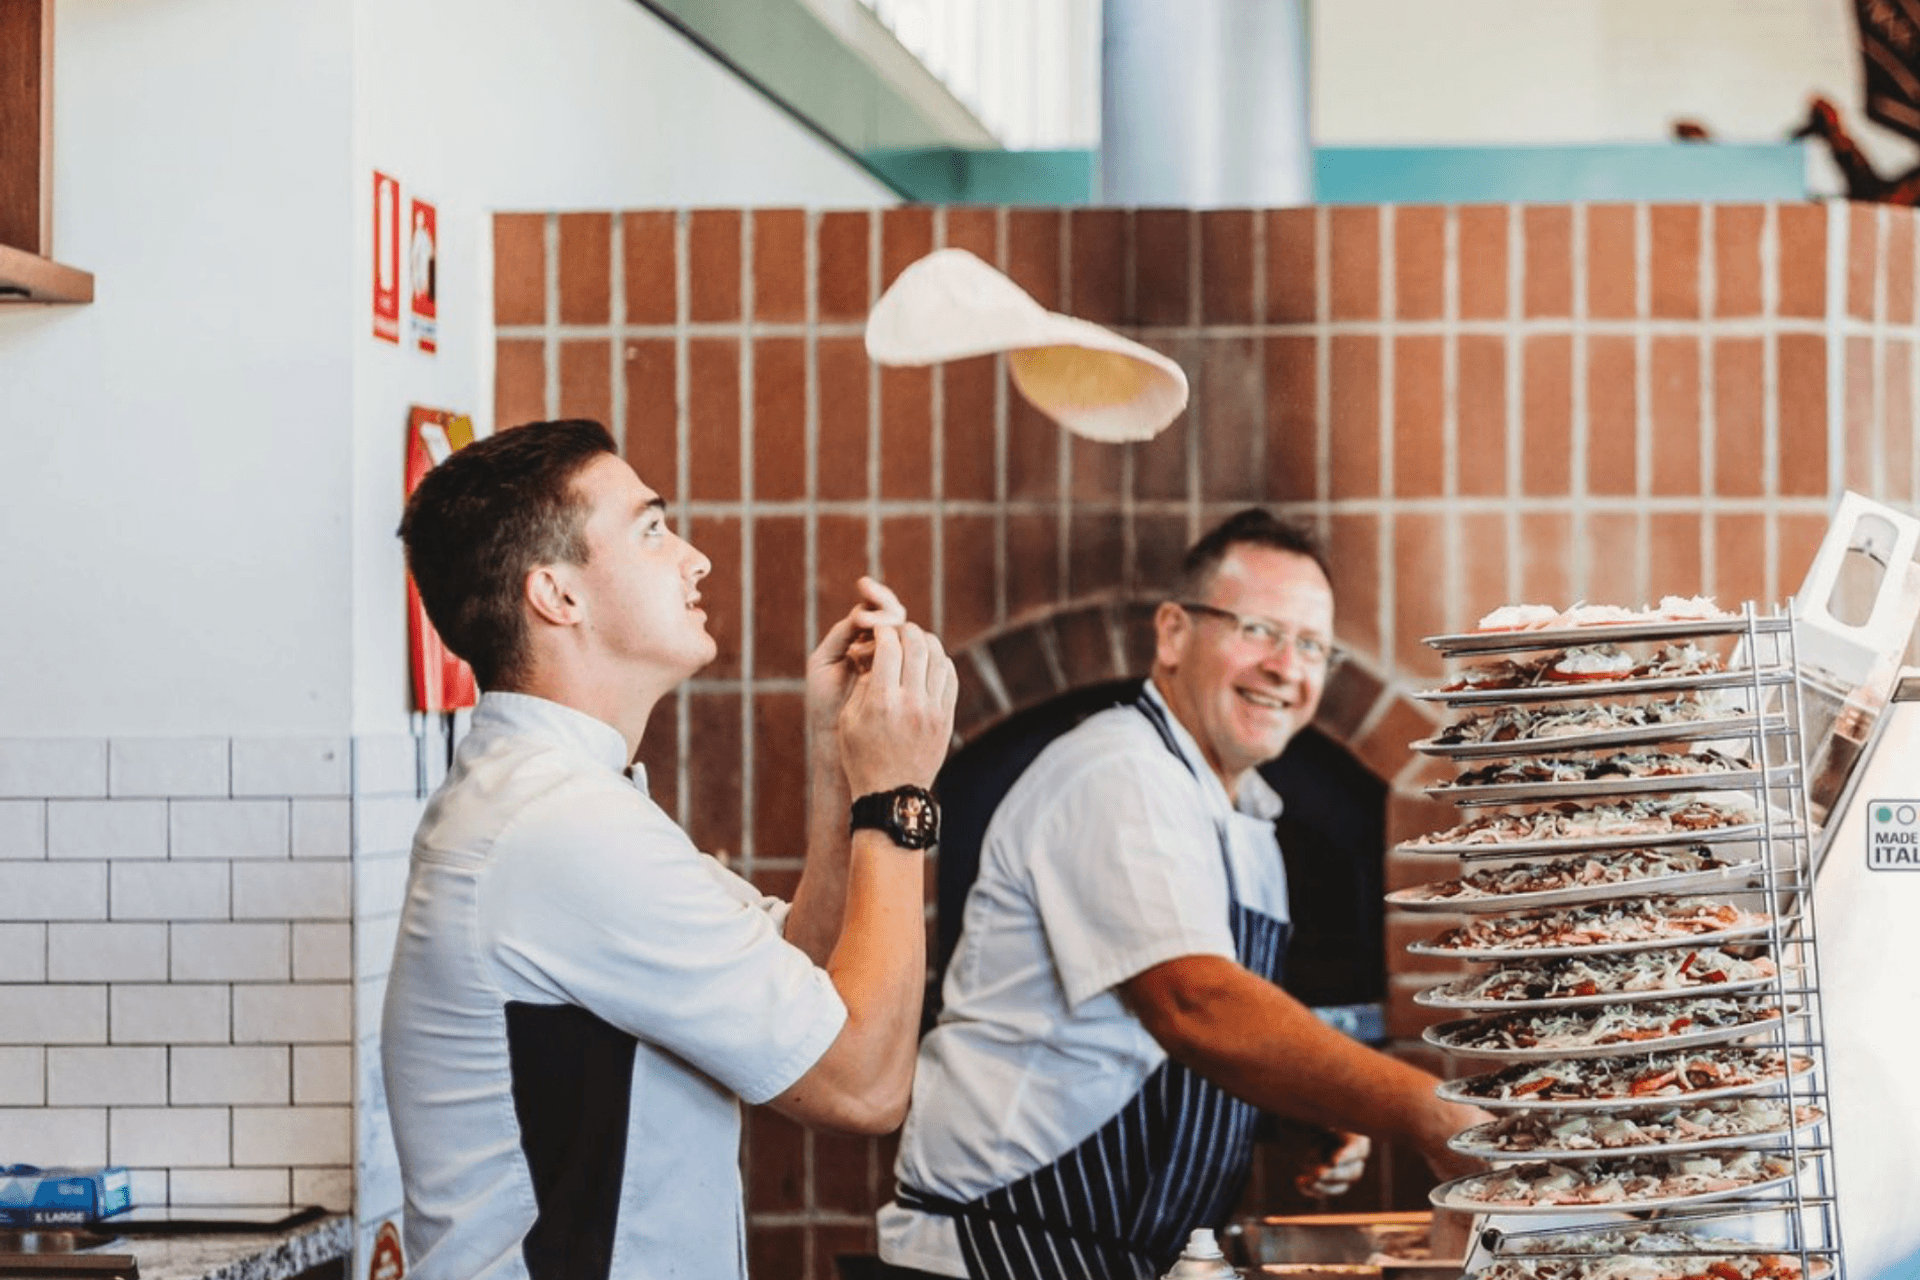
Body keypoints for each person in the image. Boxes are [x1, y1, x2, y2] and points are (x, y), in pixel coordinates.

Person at [382, 418, 957, 1280]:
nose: (696, 559)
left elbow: (797, 974)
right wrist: (897, 796)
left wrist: (842, 765)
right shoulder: (558, 830)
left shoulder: (562, 802)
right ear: (557, 596)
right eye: (652, 530)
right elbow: (864, 1085)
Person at [876, 508, 1485, 1280]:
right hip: (1003, 1244)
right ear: (1172, 633)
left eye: (1310, 647)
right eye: (1259, 629)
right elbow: (1196, 1006)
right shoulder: (1120, 770)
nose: (1285, 667)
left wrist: (1298, 1104)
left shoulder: (1246, 814)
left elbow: (1138, 1046)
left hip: (1122, 1252)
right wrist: (1427, 1109)